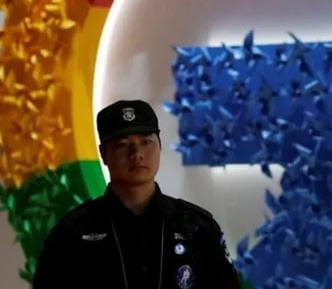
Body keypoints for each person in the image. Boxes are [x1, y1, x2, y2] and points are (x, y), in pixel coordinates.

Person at [33, 99, 242, 289]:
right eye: (123, 145)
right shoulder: (73, 232)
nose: (137, 154)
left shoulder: (196, 227)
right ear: (104, 154)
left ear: (159, 146)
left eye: (146, 142)